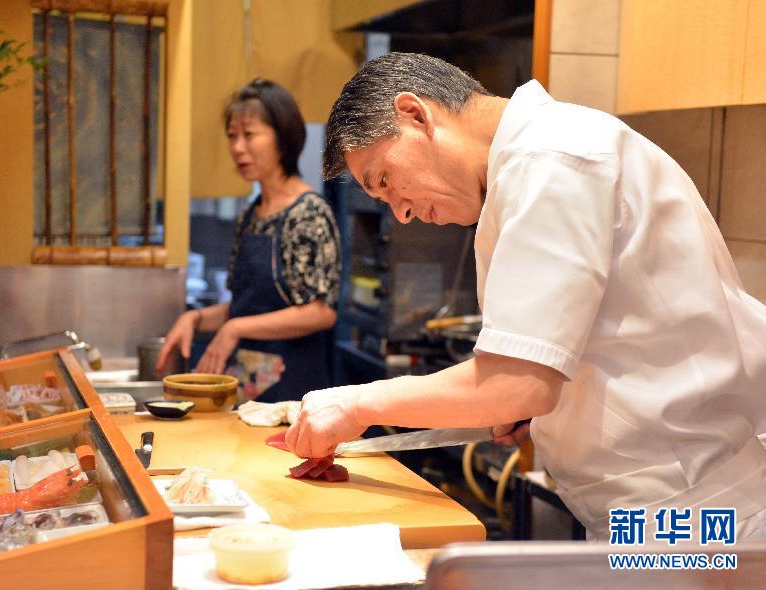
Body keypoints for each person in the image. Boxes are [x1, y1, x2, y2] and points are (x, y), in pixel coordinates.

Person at [285, 52, 766, 541]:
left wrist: (356, 404)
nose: (401, 213)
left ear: (415, 114)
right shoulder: (528, 165)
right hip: (659, 506)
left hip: (693, 515)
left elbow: (517, 384)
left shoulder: (552, 160)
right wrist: (549, 409)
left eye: (384, 181)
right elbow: (564, 363)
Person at [156, 79, 341, 403]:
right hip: (249, 386)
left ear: (283, 138)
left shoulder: (309, 212)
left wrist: (236, 329)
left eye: (250, 134)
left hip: (294, 393)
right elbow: (244, 307)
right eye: (232, 136)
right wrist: (195, 318)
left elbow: (320, 312)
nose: (238, 147)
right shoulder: (251, 214)